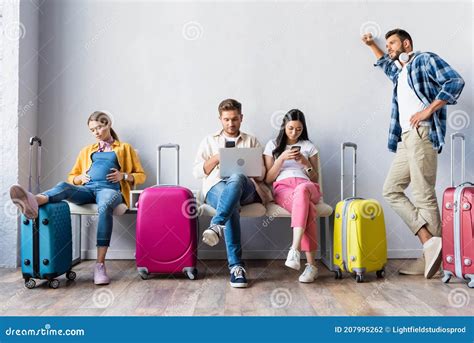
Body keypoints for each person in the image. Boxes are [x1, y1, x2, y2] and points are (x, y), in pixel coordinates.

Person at [362, 29, 465, 278]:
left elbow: (455, 81)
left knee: (423, 194)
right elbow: (386, 65)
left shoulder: (424, 59)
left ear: (406, 43)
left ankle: (433, 258)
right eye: (386, 45)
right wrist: (372, 45)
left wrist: (428, 111)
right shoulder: (400, 71)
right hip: (405, 138)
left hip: (423, 133)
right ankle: (429, 241)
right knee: (391, 189)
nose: (389, 48)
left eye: (392, 43)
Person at [10, 111, 146, 285]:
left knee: (104, 207)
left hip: (110, 191)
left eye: (99, 127)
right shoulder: (87, 151)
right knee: (63, 185)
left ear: (108, 125)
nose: (96, 132)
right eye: (92, 130)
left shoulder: (124, 148)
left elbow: (141, 175)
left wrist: (124, 176)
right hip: (88, 190)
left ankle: (99, 265)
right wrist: (79, 178)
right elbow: (71, 176)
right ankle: (33, 201)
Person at [193, 99, 270, 288]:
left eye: (234, 119)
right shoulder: (209, 140)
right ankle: (236, 267)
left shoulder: (251, 141)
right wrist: (219, 157)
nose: (231, 123)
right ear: (220, 119)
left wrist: (242, 164)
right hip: (216, 187)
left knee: (236, 176)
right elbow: (197, 172)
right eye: (226, 119)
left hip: (246, 188)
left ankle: (216, 225)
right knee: (231, 205)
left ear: (241, 118)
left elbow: (262, 174)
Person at [264, 109, 321, 283]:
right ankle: (311, 266)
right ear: (284, 127)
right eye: (290, 128)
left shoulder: (309, 147)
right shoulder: (272, 145)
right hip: (284, 189)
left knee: (303, 190)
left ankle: (294, 250)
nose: (294, 132)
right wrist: (280, 159)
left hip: (308, 186)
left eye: (298, 129)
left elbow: (315, 177)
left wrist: (305, 163)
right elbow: (268, 178)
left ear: (303, 128)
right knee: (308, 209)